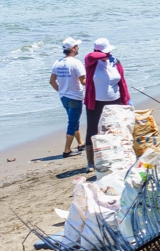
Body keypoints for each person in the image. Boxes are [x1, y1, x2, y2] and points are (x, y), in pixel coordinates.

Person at [83, 38, 130, 171]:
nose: (109, 54)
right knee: (93, 130)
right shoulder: (91, 62)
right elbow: (90, 56)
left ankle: (115, 156)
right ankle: (91, 162)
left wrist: (126, 99)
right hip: (96, 101)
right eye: (106, 52)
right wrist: (106, 55)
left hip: (115, 99)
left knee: (114, 128)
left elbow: (122, 82)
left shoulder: (115, 62)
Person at [49, 37, 86, 158]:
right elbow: (83, 81)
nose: (78, 48)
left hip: (64, 97)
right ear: (73, 49)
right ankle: (67, 150)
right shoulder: (76, 63)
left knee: (74, 120)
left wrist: (61, 91)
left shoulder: (58, 62)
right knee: (72, 122)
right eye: (77, 46)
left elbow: (52, 81)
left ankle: (80, 143)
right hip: (75, 96)